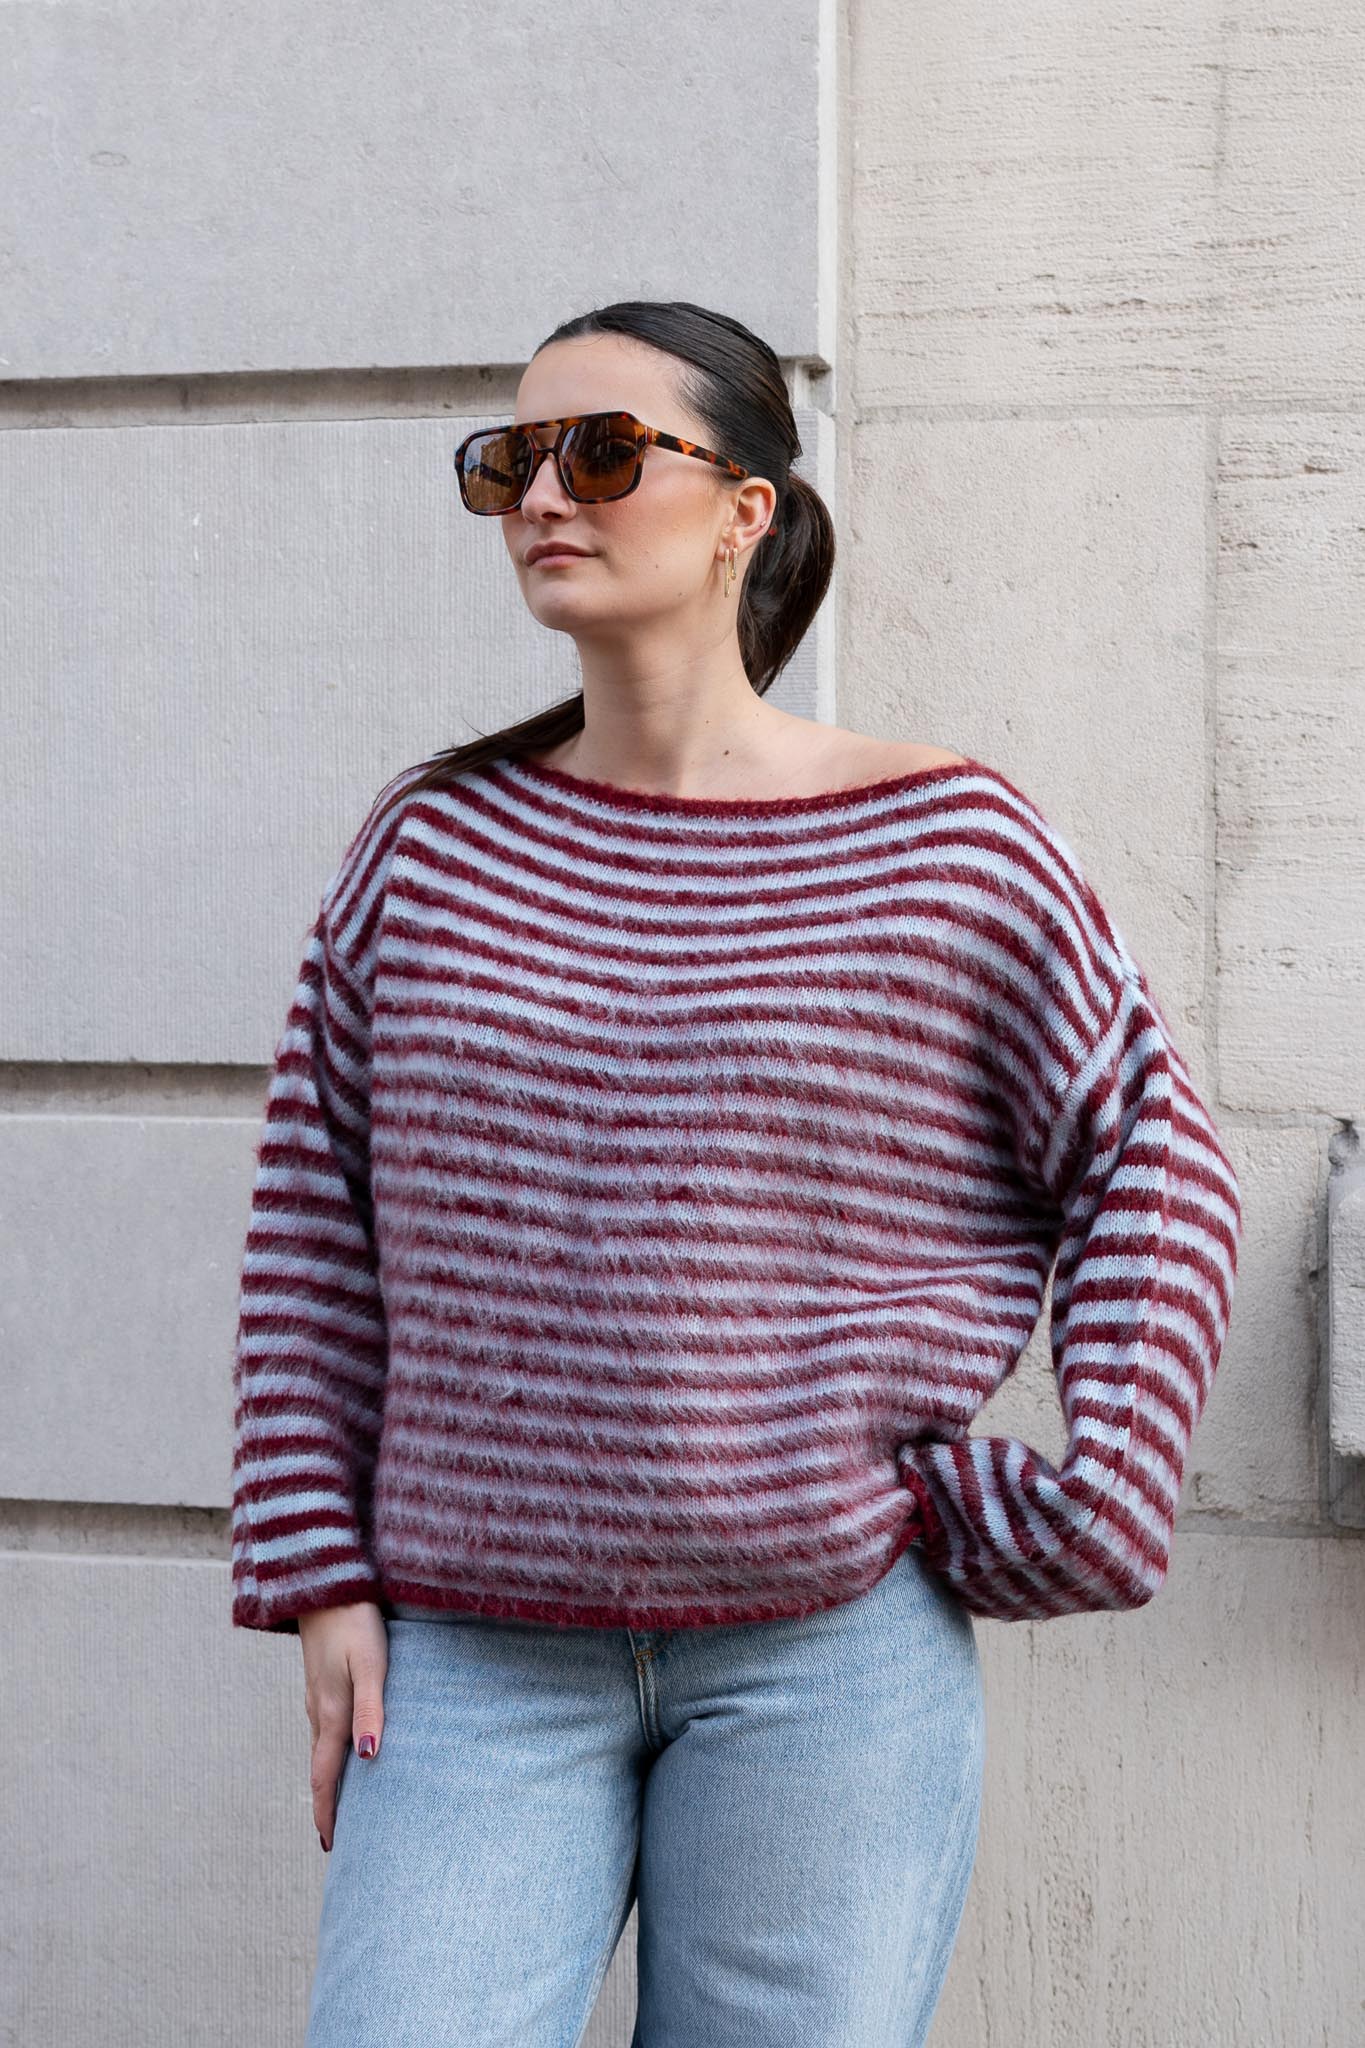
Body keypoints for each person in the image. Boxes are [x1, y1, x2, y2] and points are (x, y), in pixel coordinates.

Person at [229, 299, 1243, 2047]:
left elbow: (1152, 1156)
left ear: (743, 510)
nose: (546, 493)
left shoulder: (943, 844)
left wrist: (1097, 1507)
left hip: (827, 1655)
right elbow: (315, 1222)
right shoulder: (435, 846)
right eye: (511, 460)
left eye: (603, 451)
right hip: (470, 1651)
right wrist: (321, 1571)